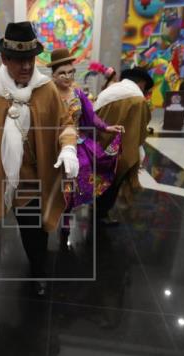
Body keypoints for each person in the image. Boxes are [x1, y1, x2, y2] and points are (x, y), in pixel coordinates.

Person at [0, 22, 79, 296]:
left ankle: (38, 271)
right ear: (5, 59)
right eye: (18, 60)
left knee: (35, 232)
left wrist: (68, 148)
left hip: (31, 178)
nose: (26, 66)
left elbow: (65, 125)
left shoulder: (46, 89)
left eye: (30, 59)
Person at [48, 48, 123, 225]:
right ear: (53, 75)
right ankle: (54, 217)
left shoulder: (78, 93)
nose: (67, 77)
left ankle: (66, 221)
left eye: (70, 72)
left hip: (79, 145)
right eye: (61, 73)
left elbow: (91, 116)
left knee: (75, 184)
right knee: (56, 185)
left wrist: (107, 127)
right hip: (53, 146)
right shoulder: (47, 95)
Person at [93, 67, 153, 224]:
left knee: (99, 178)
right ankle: (101, 214)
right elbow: (140, 128)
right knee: (113, 182)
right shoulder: (137, 100)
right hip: (120, 149)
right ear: (141, 83)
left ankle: (95, 208)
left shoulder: (108, 92)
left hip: (98, 145)